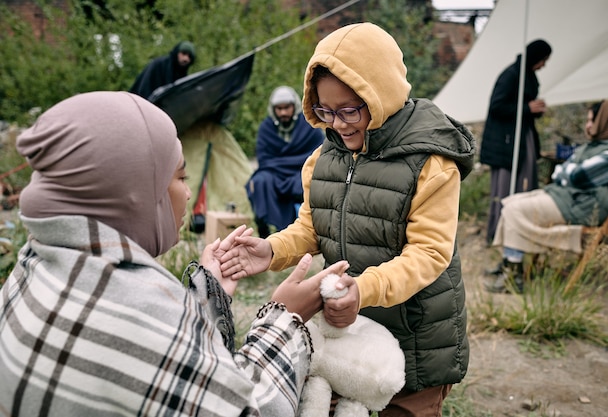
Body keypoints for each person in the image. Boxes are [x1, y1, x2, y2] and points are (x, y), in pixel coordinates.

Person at [0, 91, 351, 416]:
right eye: (181, 177)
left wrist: (207, 294)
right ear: (136, 192)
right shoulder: (135, 315)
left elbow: (170, 370)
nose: (187, 194)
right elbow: (250, 408)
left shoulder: (32, 268)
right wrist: (285, 318)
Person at [220, 22, 475, 417]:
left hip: (417, 336)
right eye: (325, 111)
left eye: (349, 110)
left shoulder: (431, 163)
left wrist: (364, 289)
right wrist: (270, 250)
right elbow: (311, 226)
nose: (337, 123)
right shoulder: (322, 160)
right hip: (350, 329)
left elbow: (429, 253)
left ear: (382, 94)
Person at [486, 100, 608, 293]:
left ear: (605, 121)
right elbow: (559, 173)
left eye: (591, 121)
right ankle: (510, 263)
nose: (587, 125)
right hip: (568, 197)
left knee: (514, 209)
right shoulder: (596, 146)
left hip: (583, 206)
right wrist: (566, 172)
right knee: (511, 202)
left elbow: (577, 176)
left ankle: (514, 274)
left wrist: (566, 172)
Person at [480, 39, 552, 246]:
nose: (544, 65)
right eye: (543, 60)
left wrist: (533, 110)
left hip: (523, 139)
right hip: (507, 143)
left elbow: (522, 107)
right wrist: (528, 108)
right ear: (535, 57)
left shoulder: (529, 76)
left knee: (525, 183)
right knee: (504, 186)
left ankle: (520, 231)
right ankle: (498, 233)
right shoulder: (511, 75)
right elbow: (497, 107)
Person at [246, 86, 325, 238]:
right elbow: (264, 159)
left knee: (305, 182)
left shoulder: (309, 125)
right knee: (260, 181)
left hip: (300, 171)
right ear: (273, 109)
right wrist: (288, 162)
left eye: (286, 107)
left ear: (294, 106)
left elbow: (318, 155)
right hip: (274, 173)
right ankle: (264, 226)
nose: (283, 112)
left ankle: (305, 232)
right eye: (279, 108)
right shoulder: (266, 127)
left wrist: (287, 163)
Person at [129, 40, 196, 99]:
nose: (186, 59)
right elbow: (144, 87)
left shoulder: (182, 76)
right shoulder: (159, 64)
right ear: (177, 53)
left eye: (189, 56)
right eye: (183, 53)